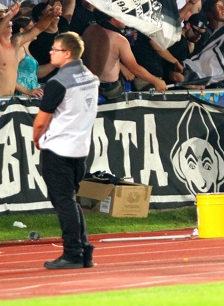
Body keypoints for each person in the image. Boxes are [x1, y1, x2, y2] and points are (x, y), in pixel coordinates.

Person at [32, 32, 100, 270]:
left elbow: (41, 121)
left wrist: (36, 138)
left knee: (64, 202)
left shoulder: (58, 82)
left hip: (58, 148)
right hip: (80, 149)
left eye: (55, 49)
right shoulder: (91, 78)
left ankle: (73, 252)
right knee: (70, 201)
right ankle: (84, 249)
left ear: (68, 53)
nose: (51, 52)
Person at [82, 17, 168, 100]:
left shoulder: (89, 29)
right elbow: (134, 68)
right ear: (114, 18)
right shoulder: (118, 39)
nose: (126, 19)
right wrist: (156, 81)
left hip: (89, 84)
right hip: (110, 90)